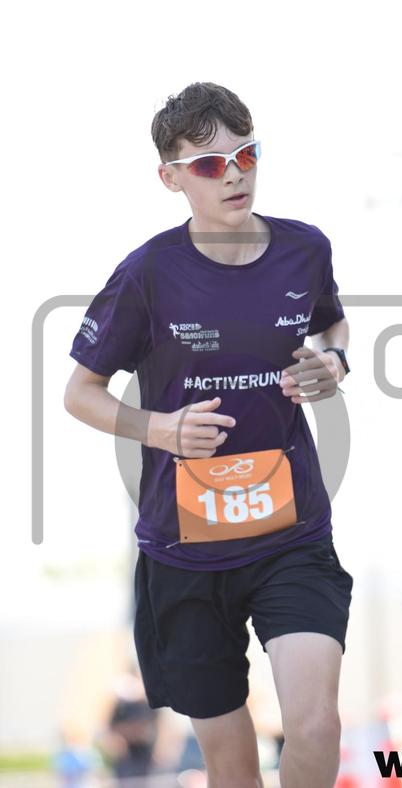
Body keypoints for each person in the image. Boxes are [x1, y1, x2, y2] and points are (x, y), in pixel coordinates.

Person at [64, 81, 354, 788]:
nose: (233, 174)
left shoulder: (304, 248)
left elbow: (332, 326)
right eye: (208, 164)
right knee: (230, 766)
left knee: (316, 726)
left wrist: (333, 363)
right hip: (185, 552)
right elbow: (80, 394)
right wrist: (160, 429)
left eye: (246, 155)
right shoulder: (148, 273)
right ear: (172, 178)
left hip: (291, 535)